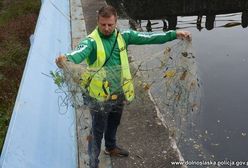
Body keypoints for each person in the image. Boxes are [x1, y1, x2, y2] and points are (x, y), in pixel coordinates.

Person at [56, 5, 191, 168]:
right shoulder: (91, 42)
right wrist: (65, 59)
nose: (106, 28)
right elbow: (78, 54)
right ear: (98, 22)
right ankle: (93, 163)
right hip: (99, 96)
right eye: (103, 24)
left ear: (116, 23)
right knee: (97, 131)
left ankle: (111, 147)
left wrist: (174, 34)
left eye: (110, 25)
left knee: (114, 122)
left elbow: (149, 37)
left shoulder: (124, 36)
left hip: (119, 92)